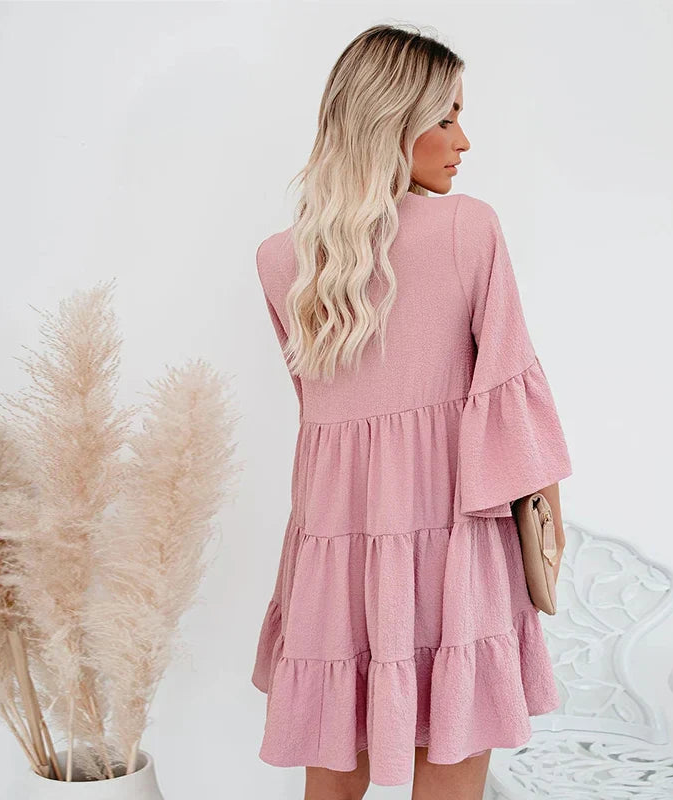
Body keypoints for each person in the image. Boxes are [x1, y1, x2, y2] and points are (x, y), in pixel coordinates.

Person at [251, 23, 572, 800]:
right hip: (457, 536)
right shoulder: (468, 228)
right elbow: (511, 395)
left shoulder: (283, 260)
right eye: (446, 116)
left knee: (333, 783)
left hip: (336, 554)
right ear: (390, 120)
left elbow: (319, 421)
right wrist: (548, 530)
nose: (464, 140)